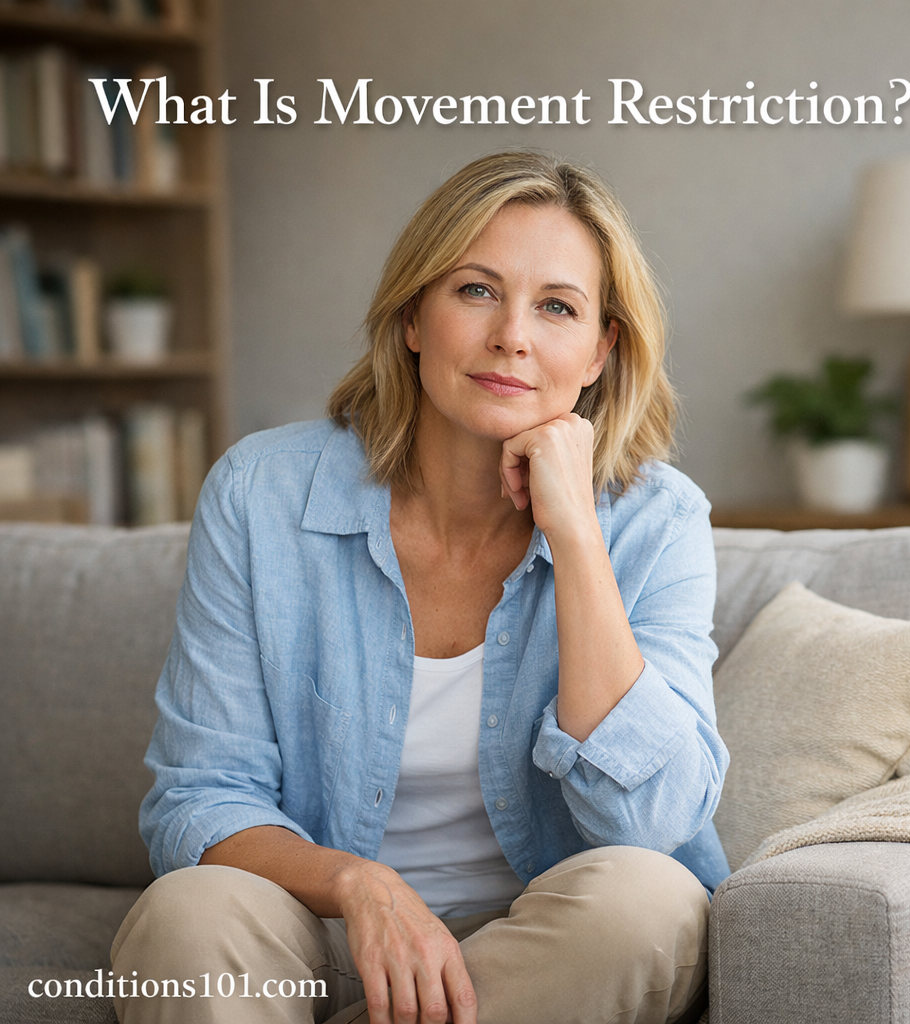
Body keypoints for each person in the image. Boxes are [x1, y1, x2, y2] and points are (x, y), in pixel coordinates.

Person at [111, 151, 731, 1024]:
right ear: (412, 316)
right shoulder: (261, 493)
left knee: (648, 904)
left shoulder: (657, 520)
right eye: (476, 290)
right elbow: (199, 799)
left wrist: (576, 538)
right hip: (320, 931)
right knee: (187, 912)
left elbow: (654, 822)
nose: (512, 335)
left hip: (543, 948)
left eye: (557, 307)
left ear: (600, 351)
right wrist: (358, 885)